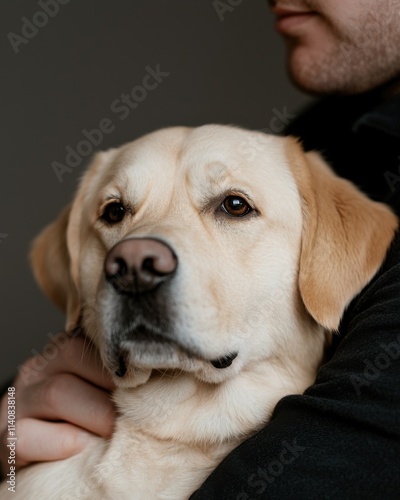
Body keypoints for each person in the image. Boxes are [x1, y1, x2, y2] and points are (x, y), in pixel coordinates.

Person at [1, 0, 400, 497]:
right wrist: (10, 423)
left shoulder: (310, 178)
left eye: (233, 206)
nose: (138, 255)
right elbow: (30, 396)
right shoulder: (322, 133)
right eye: (116, 213)